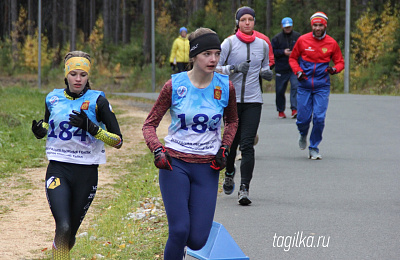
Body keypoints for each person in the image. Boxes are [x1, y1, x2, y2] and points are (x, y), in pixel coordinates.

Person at [142, 28, 238, 259]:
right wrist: (157, 150)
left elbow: (232, 120)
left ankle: (182, 251)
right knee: (179, 230)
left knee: (197, 240)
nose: (213, 59)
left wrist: (224, 148)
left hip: (207, 167)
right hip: (175, 165)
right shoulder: (174, 86)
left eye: (217, 53)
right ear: (193, 56)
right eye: (207, 54)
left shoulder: (226, 86)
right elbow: (149, 125)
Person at [31, 51, 123, 259]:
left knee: (69, 234)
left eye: (83, 74)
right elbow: (48, 123)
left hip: (87, 172)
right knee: (62, 226)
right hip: (58, 168)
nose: (78, 79)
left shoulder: (97, 101)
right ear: (66, 75)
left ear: (88, 76)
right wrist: (41, 130)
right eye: (74, 74)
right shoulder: (52, 98)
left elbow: (118, 140)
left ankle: (59, 252)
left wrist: (92, 128)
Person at [216, 6, 273, 205]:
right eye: (243, 20)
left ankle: (244, 188)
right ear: (238, 22)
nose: (247, 23)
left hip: (253, 100)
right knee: (231, 144)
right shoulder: (229, 44)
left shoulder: (262, 45)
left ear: (254, 22)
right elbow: (214, 67)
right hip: (231, 101)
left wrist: (266, 73)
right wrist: (234, 68)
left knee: (247, 145)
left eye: (250, 19)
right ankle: (229, 171)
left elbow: (265, 66)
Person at [289, 12, 344, 159]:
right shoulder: (302, 40)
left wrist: (334, 69)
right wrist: (298, 71)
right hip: (304, 85)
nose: (318, 27)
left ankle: (314, 147)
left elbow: (340, 62)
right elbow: (293, 58)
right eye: (315, 25)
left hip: (322, 85)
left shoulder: (331, 43)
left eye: (320, 25)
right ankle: (303, 133)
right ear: (311, 25)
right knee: (302, 119)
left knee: (319, 118)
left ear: (325, 25)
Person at [272, 17, 301, 119]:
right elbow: (273, 52)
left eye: (289, 27)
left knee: (295, 87)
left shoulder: (298, 37)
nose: (287, 29)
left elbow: (302, 50)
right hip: (281, 68)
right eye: (286, 27)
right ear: (282, 26)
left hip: (294, 68)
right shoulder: (276, 38)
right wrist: (283, 52)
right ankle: (281, 110)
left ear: (292, 26)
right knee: (280, 90)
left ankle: (295, 109)